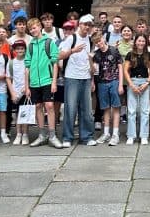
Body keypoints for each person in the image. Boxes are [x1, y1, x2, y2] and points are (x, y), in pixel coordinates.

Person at [58, 14, 96, 147]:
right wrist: (73, 50)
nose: (87, 27)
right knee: (70, 108)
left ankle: (86, 137)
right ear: (79, 24)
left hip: (85, 77)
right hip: (72, 77)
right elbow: (59, 55)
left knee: (86, 109)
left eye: (89, 25)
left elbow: (90, 59)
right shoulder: (71, 38)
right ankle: (67, 137)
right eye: (85, 24)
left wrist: (92, 79)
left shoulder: (90, 40)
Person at [25, 18, 62, 148]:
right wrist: (27, 86)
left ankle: (52, 135)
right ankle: (42, 135)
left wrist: (54, 82)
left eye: (34, 27)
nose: (33, 30)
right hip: (34, 82)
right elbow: (27, 66)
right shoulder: (30, 45)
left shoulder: (49, 42)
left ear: (40, 27)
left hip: (47, 80)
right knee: (38, 107)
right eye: (30, 29)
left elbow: (55, 63)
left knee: (50, 106)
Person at [93, 33, 124, 146]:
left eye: (100, 40)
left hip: (114, 81)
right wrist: (92, 82)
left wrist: (120, 84)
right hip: (102, 82)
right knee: (105, 108)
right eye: (96, 42)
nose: (99, 43)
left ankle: (115, 134)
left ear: (103, 39)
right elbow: (94, 71)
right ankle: (106, 133)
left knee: (116, 107)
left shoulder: (114, 50)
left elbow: (120, 67)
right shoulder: (96, 54)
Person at [123, 33, 150, 145]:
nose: (141, 43)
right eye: (139, 41)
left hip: (145, 83)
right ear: (135, 42)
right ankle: (131, 135)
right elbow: (125, 70)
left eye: (143, 41)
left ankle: (144, 136)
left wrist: (147, 83)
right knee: (131, 111)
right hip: (133, 82)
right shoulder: (130, 55)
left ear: (145, 43)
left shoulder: (148, 55)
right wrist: (131, 85)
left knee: (145, 111)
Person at [6, 40, 30, 145]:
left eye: (22, 48)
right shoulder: (11, 62)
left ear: (25, 49)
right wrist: (12, 93)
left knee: (25, 113)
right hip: (15, 92)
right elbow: (8, 78)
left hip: (25, 91)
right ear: (14, 50)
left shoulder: (28, 61)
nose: (20, 50)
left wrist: (26, 88)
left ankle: (25, 134)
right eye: (17, 48)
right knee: (17, 114)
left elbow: (30, 76)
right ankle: (18, 134)